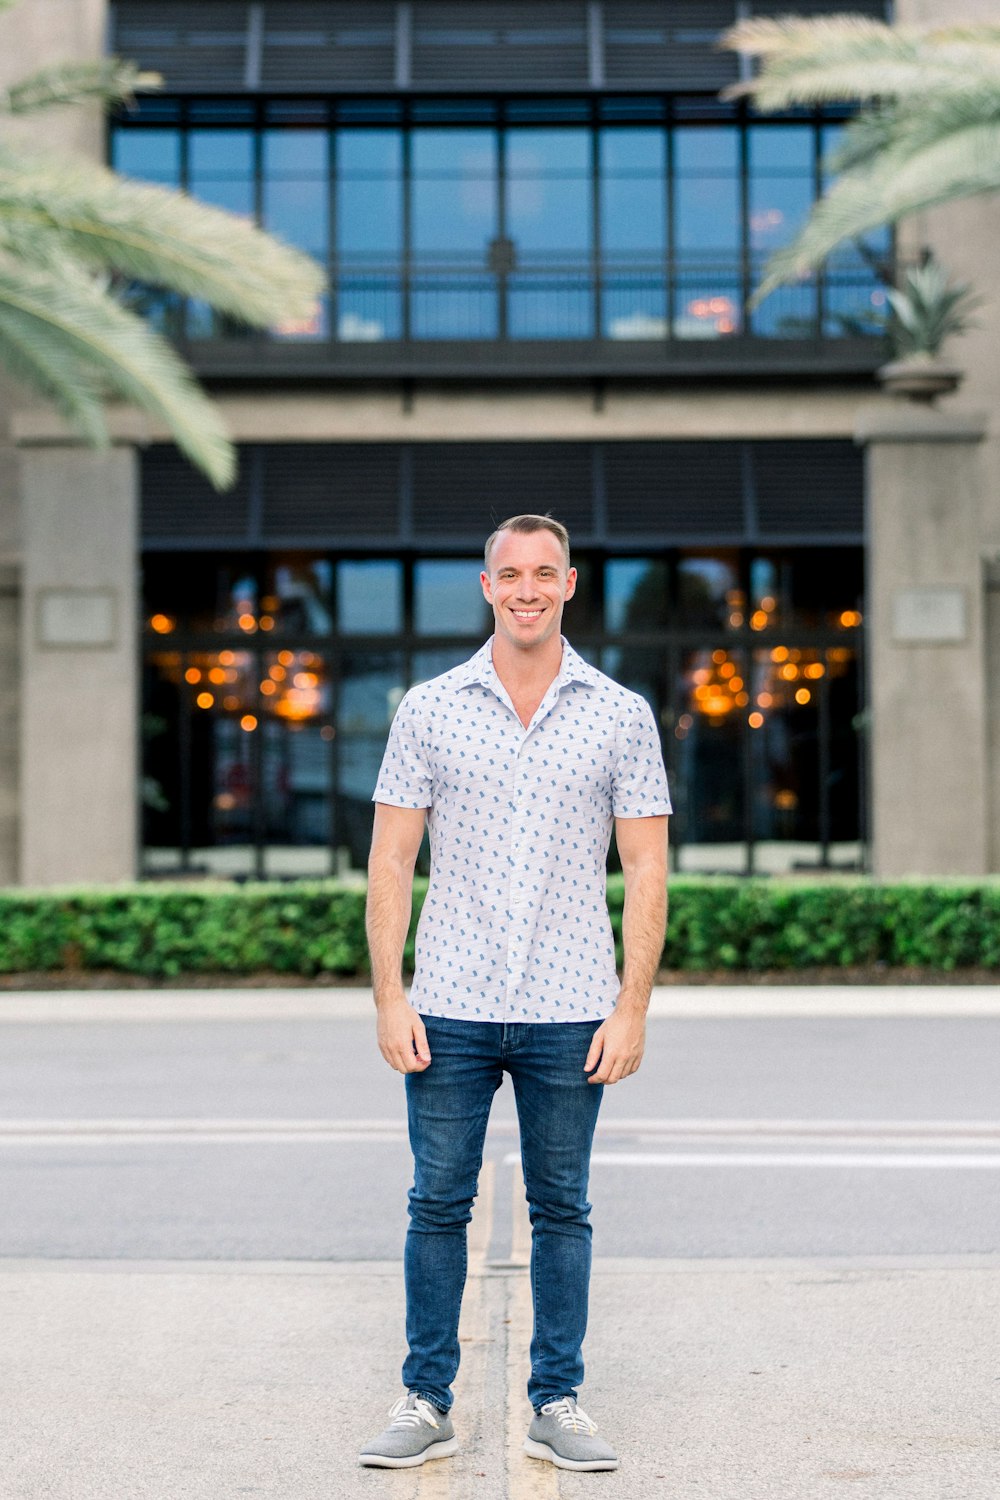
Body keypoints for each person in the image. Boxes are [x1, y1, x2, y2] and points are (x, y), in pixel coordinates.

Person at [359, 513, 670, 1472]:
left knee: (563, 1207)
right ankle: (425, 1398)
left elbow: (648, 868)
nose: (528, 587)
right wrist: (388, 996)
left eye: (546, 572)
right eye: (510, 572)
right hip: (448, 999)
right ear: (486, 585)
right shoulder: (428, 707)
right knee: (436, 1205)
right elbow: (392, 859)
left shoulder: (621, 712)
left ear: (570, 585)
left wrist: (632, 1007)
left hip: (573, 1002)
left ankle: (558, 1399)